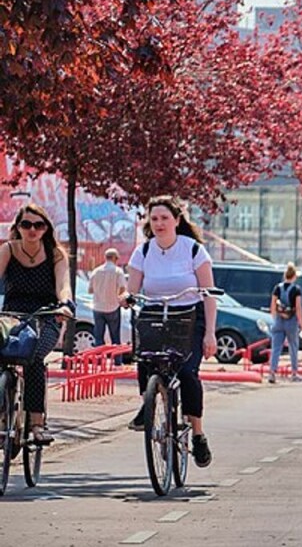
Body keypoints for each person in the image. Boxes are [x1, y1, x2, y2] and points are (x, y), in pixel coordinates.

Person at [122, 196, 218, 468]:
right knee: (145, 361)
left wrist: (210, 333)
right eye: (154, 219)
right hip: (154, 313)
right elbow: (132, 289)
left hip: (189, 316)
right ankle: (148, 403)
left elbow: (209, 295)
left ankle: (197, 434)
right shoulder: (142, 252)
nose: (160, 223)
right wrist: (125, 297)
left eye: (165, 218)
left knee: (187, 373)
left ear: (177, 220)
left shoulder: (193, 250)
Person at [0, 204, 74, 443]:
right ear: (17, 228)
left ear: (46, 229)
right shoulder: (8, 250)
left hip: (46, 316)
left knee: (33, 358)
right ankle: (4, 412)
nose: (32, 230)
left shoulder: (55, 253)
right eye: (26, 225)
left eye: (38, 225)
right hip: (12, 317)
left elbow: (64, 285)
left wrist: (64, 304)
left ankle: (36, 423)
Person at [268, 263, 302, 384]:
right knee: (293, 347)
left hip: (279, 320)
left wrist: (275, 317)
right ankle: (294, 373)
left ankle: (272, 372)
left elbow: (273, 305)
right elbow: (298, 307)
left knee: (276, 348)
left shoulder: (277, 288)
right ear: (294, 276)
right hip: (291, 321)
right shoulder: (296, 289)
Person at [89, 247, 126, 363]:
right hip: (113, 307)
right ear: (115, 258)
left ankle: (99, 361)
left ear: (106, 258)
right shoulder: (118, 271)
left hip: (98, 308)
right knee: (115, 336)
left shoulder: (95, 271)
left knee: (98, 336)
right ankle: (117, 361)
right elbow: (122, 288)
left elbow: (90, 290)